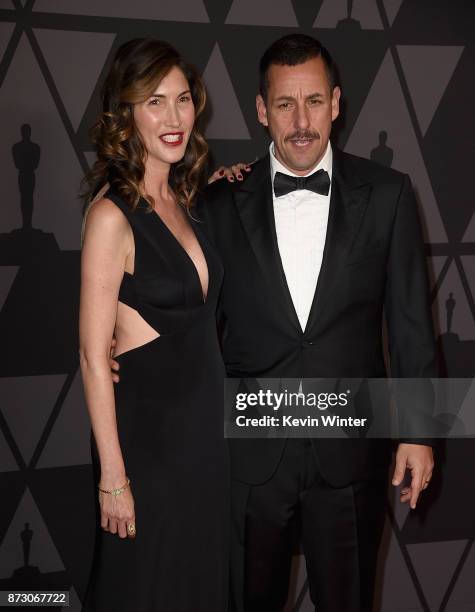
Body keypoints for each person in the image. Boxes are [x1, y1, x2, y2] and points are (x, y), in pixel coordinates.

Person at [197, 34, 436, 612]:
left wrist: (420, 431)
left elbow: (410, 323)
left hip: (350, 451)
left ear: (336, 103)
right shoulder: (217, 204)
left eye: (312, 102)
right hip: (250, 457)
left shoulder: (388, 195)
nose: (300, 122)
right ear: (261, 110)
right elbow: (194, 327)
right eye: (284, 104)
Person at [79, 38, 230, 611]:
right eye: (154, 102)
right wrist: (113, 478)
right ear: (126, 114)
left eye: (183, 99)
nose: (173, 118)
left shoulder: (188, 198)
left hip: (205, 444)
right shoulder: (111, 215)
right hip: (150, 450)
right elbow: (94, 356)